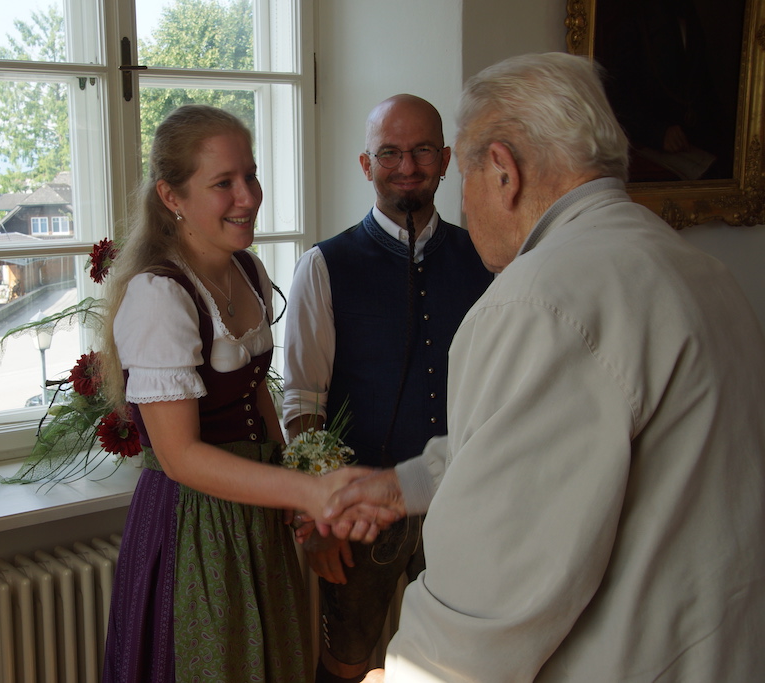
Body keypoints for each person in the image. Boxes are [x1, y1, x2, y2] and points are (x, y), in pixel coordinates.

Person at [324, 52, 765, 681]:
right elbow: (545, 441)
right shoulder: (698, 269)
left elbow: (493, 579)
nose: (465, 204)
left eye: (464, 179)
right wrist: (403, 485)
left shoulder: (540, 299)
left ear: (503, 171)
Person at [98, 104, 384, 683]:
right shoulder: (159, 296)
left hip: (254, 515)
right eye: (223, 183)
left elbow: (257, 396)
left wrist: (294, 486)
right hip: (194, 526)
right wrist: (309, 491)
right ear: (172, 197)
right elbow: (180, 457)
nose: (248, 197)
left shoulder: (247, 270)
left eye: (250, 175)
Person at [283, 94, 491, 682]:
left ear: (445, 160)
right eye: (389, 153)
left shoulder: (486, 260)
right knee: (345, 663)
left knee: (461, 667)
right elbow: (303, 403)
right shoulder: (323, 266)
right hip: (360, 514)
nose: (407, 166)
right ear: (365, 164)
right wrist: (317, 519)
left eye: (422, 150)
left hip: (465, 505)